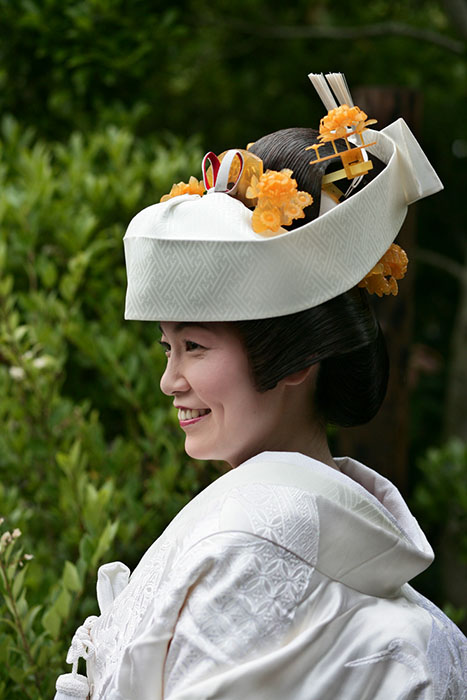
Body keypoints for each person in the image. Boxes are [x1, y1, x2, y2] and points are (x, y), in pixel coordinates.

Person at [55, 73, 467, 700]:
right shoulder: (409, 605)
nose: (170, 380)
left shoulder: (242, 537)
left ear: (297, 358)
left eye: (195, 347)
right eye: (169, 348)